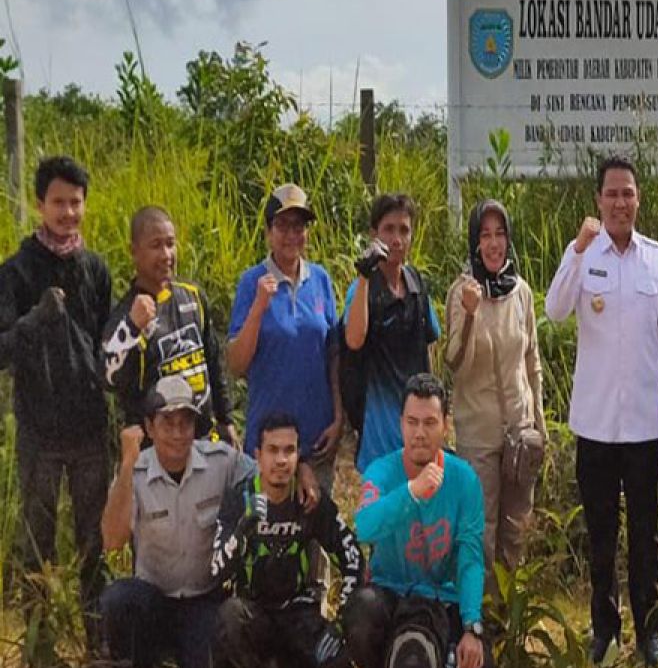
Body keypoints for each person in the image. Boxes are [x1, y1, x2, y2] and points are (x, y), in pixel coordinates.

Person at [544, 155, 658, 668]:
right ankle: (605, 631)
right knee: (601, 534)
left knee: (646, 533)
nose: (620, 202)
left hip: (647, 424)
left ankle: (652, 634)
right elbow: (555, 310)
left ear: (638, 198)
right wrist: (577, 249)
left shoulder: (657, 260)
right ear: (598, 201)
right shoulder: (583, 253)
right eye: (612, 194)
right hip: (596, 424)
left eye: (628, 193)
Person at [0, 155, 111, 668]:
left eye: (76, 202)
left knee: (95, 545)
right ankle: (41, 660)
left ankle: (100, 653)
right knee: (37, 548)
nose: (68, 212)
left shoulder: (95, 269)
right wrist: (34, 321)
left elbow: (109, 345)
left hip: (91, 432)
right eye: (59, 202)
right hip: (40, 435)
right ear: (39, 204)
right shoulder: (16, 271)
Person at [344, 373, 493, 668]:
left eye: (429, 423)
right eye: (412, 422)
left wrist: (472, 625)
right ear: (400, 424)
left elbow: (471, 556)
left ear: (446, 426)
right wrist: (412, 491)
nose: (420, 432)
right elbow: (364, 526)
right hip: (391, 596)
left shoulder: (465, 480)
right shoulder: (382, 470)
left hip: (443, 601)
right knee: (359, 615)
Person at [98, 376, 253, 668]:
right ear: (150, 427)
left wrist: (301, 470)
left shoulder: (220, 462)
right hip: (152, 599)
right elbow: (112, 540)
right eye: (168, 422)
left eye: (186, 422)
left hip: (202, 598)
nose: (178, 433)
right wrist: (126, 465)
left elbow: (263, 476)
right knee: (117, 600)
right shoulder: (134, 471)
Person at [211, 412, 362, 668]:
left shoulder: (309, 499)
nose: (281, 460)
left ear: (298, 455)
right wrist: (242, 532)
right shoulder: (240, 498)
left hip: (299, 615)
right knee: (228, 616)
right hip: (254, 614)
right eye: (273, 450)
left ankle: (287, 667)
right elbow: (216, 571)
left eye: (289, 451)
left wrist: (342, 615)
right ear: (257, 455)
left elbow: (352, 556)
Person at [444, 199, 546, 591]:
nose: (493, 244)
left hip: (520, 430)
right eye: (484, 235)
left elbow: (531, 359)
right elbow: (454, 360)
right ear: (475, 241)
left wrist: (539, 422)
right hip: (478, 432)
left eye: (499, 234)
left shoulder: (521, 292)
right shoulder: (463, 292)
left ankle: (511, 616)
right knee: (481, 527)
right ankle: (480, 620)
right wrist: (469, 314)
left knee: (517, 525)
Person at [228, 183, 343, 488]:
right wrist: (258, 308)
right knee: (270, 531)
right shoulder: (251, 282)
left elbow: (333, 353)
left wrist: (338, 416)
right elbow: (236, 363)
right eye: (283, 225)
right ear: (268, 231)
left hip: (316, 439)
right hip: (269, 445)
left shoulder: (320, 280)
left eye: (299, 226)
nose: (292, 234)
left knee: (317, 530)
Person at [103, 205, 237, 444]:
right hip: (157, 454)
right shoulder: (127, 314)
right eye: (156, 245)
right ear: (134, 252)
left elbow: (213, 363)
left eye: (170, 243)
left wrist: (226, 419)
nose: (166, 254)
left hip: (204, 441)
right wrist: (132, 327)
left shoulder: (193, 295)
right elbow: (108, 378)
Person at [342, 193, 440, 472]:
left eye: (404, 230)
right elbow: (354, 339)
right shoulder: (363, 289)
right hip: (378, 433)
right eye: (388, 229)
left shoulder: (417, 286)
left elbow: (428, 346)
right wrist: (364, 275)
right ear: (374, 234)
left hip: (418, 430)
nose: (397, 239)